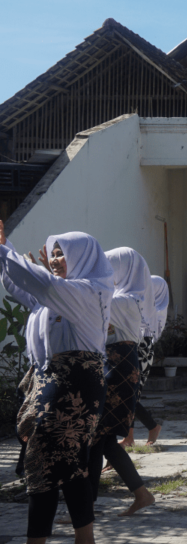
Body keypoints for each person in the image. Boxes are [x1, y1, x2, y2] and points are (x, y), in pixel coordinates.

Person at [0, 225, 110, 543]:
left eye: (64, 254)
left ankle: (40, 539)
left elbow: (41, 285)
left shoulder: (88, 292)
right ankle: (83, 537)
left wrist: (6, 251)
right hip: (56, 382)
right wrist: (7, 251)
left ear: (83, 258)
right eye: (55, 253)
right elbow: (25, 288)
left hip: (73, 386)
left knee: (43, 461)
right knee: (67, 464)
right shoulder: (60, 295)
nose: (57, 259)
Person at [91, 248, 154, 516]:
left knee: (97, 437)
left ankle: (84, 510)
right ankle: (140, 494)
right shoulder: (124, 298)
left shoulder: (126, 300)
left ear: (124, 270)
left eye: (109, 266)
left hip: (117, 367)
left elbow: (88, 301)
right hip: (115, 364)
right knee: (99, 439)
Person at [122, 275, 168, 447]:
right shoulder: (142, 307)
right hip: (135, 347)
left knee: (130, 396)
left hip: (141, 350)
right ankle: (143, 430)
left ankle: (135, 434)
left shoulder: (150, 313)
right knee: (130, 395)